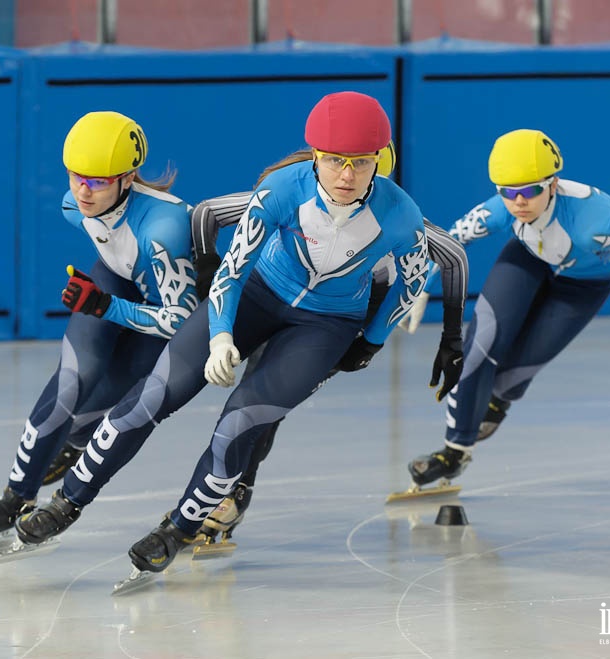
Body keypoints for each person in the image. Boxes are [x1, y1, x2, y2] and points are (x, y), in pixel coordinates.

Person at [14, 91, 459, 576]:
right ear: (315, 156)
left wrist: (370, 342)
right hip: (256, 296)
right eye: (334, 162)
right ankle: (68, 501)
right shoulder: (282, 189)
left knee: (239, 425)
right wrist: (221, 333)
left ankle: (179, 528)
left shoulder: (402, 215)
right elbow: (233, 266)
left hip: (325, 324)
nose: (347, 176)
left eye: (360, 162)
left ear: (380, 159)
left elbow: (412, 284)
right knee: (153, 395)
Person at [186, 148, 468, 546]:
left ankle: (233, 494)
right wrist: (210, 276)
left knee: (263, 400)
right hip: (279, 288)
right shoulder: (287, 196)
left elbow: (452, 254)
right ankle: (222, 494)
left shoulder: (392, 216)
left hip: (345, 311)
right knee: (256, 397)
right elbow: (206, 213)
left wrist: (450, 338)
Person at [0, 111, 197, 551]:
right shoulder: (74, 206)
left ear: (128, 179)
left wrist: (108, 306)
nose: (84, 191)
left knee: (114, 402)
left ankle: (71, 483)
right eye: (76, 177)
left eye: (99, 181)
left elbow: (178, 319)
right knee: (71, 381)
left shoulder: (164, 229)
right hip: (118, 283)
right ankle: (15, 496)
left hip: (165, 310)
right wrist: (106, 299)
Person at [405, 128, 610, 489]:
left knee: (515, 369)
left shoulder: (594, 224)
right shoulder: (503, 208)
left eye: (530, 190)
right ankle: (454, 452)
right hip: (529, 258)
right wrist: (423, 286)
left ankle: (499, 401)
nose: (518, 202)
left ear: (554, 183)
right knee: (480, 345)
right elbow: (454, 239)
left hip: (584, 283)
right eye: (507, 192)